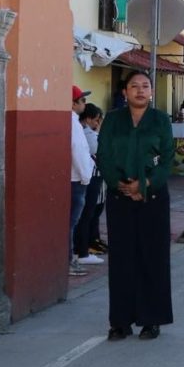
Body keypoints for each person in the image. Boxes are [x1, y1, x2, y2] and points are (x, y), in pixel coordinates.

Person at [96, 70, 174, 341]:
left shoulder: (161, 120)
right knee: (121, 260)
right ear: (124, 92)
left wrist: (144, 185)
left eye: (145, 86)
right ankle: (120, 321)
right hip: (120, 198)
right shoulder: (113, 120)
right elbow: (103, 155)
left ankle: (151, 320)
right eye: (134, 86)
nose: (140, 90)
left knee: (152, 258)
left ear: (151, 91)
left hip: (153, 198)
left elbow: (167, 159)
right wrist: (121, 184)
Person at [74, 103, 106, 266]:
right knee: (87, 214)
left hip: (88, 177)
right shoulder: (87, 134)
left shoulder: (81, 130)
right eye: (96, 120)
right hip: (90, 178)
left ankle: (86, 246)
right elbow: (101, 150)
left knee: (89, 213)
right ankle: (83, 250)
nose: (97, 123)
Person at [69, 86, 96, 277]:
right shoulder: (73, 123)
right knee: (71, 223)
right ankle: (69, 260)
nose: (84, 103)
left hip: (75, 177)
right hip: (77, 179)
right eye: (82, 100)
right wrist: (86, 176)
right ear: (73, 103)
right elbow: (77, 151)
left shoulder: (73, 122)